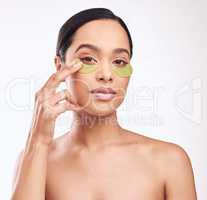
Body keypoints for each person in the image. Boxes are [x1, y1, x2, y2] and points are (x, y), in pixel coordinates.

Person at [11, 8, 197, 200]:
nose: (106, 75)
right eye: (88, 59)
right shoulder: (35, 161)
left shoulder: (170, 161)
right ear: (60, 67)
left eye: (119, 61)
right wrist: (38, 141)